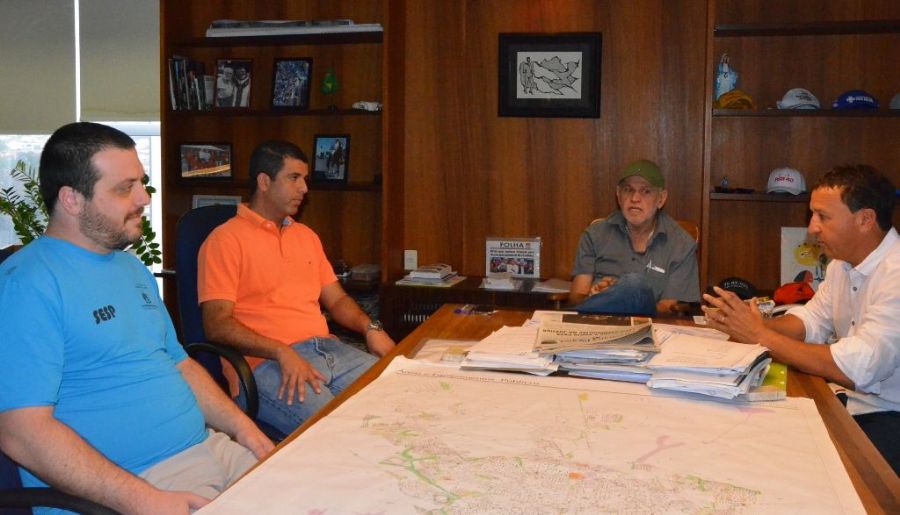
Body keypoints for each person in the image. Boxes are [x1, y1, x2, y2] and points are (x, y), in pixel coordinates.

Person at [0, 122, 274, 515]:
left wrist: (244, 430)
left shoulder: (131, 269)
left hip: (209, 448)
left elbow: (179, 364)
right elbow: (21, 432)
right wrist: (145, 501)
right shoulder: (27, 285)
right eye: (124, 188)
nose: (144, 198)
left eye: (141, 183)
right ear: (72, 199)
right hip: (138, 486)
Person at [703, 164, 899, 474]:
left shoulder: (895, 274)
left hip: (889, 416)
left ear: (865, 219)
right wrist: (750, 324)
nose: (811, 228)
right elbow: (812, 320)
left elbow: (859, 367)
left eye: (823, 216)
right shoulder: (841, 265)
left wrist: (760, 335)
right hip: (850, 401)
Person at [198, 140, 396, 437]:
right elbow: (216, 324)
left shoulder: (306, 236)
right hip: (266, 364)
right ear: (264, 182)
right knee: (343, 432)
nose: (304, 188)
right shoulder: (224, 240)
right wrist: (280, 351)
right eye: (294, 178)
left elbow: (337, 300)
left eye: (305, 179)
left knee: (402, 397)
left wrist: (371, 328)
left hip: (328, 350)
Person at [568, 159, 700, 316]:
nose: (635, 198)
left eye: (646, 191)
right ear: (618, 195)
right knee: (631, 286)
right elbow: (576, 297)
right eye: (628, 190)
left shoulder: (681, 244)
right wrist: (593, 295)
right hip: (597, 322)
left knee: (635, 284)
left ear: (661, 199)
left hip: (651, 323)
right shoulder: (595, 234)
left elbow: (668, 307)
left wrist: (624, 297)